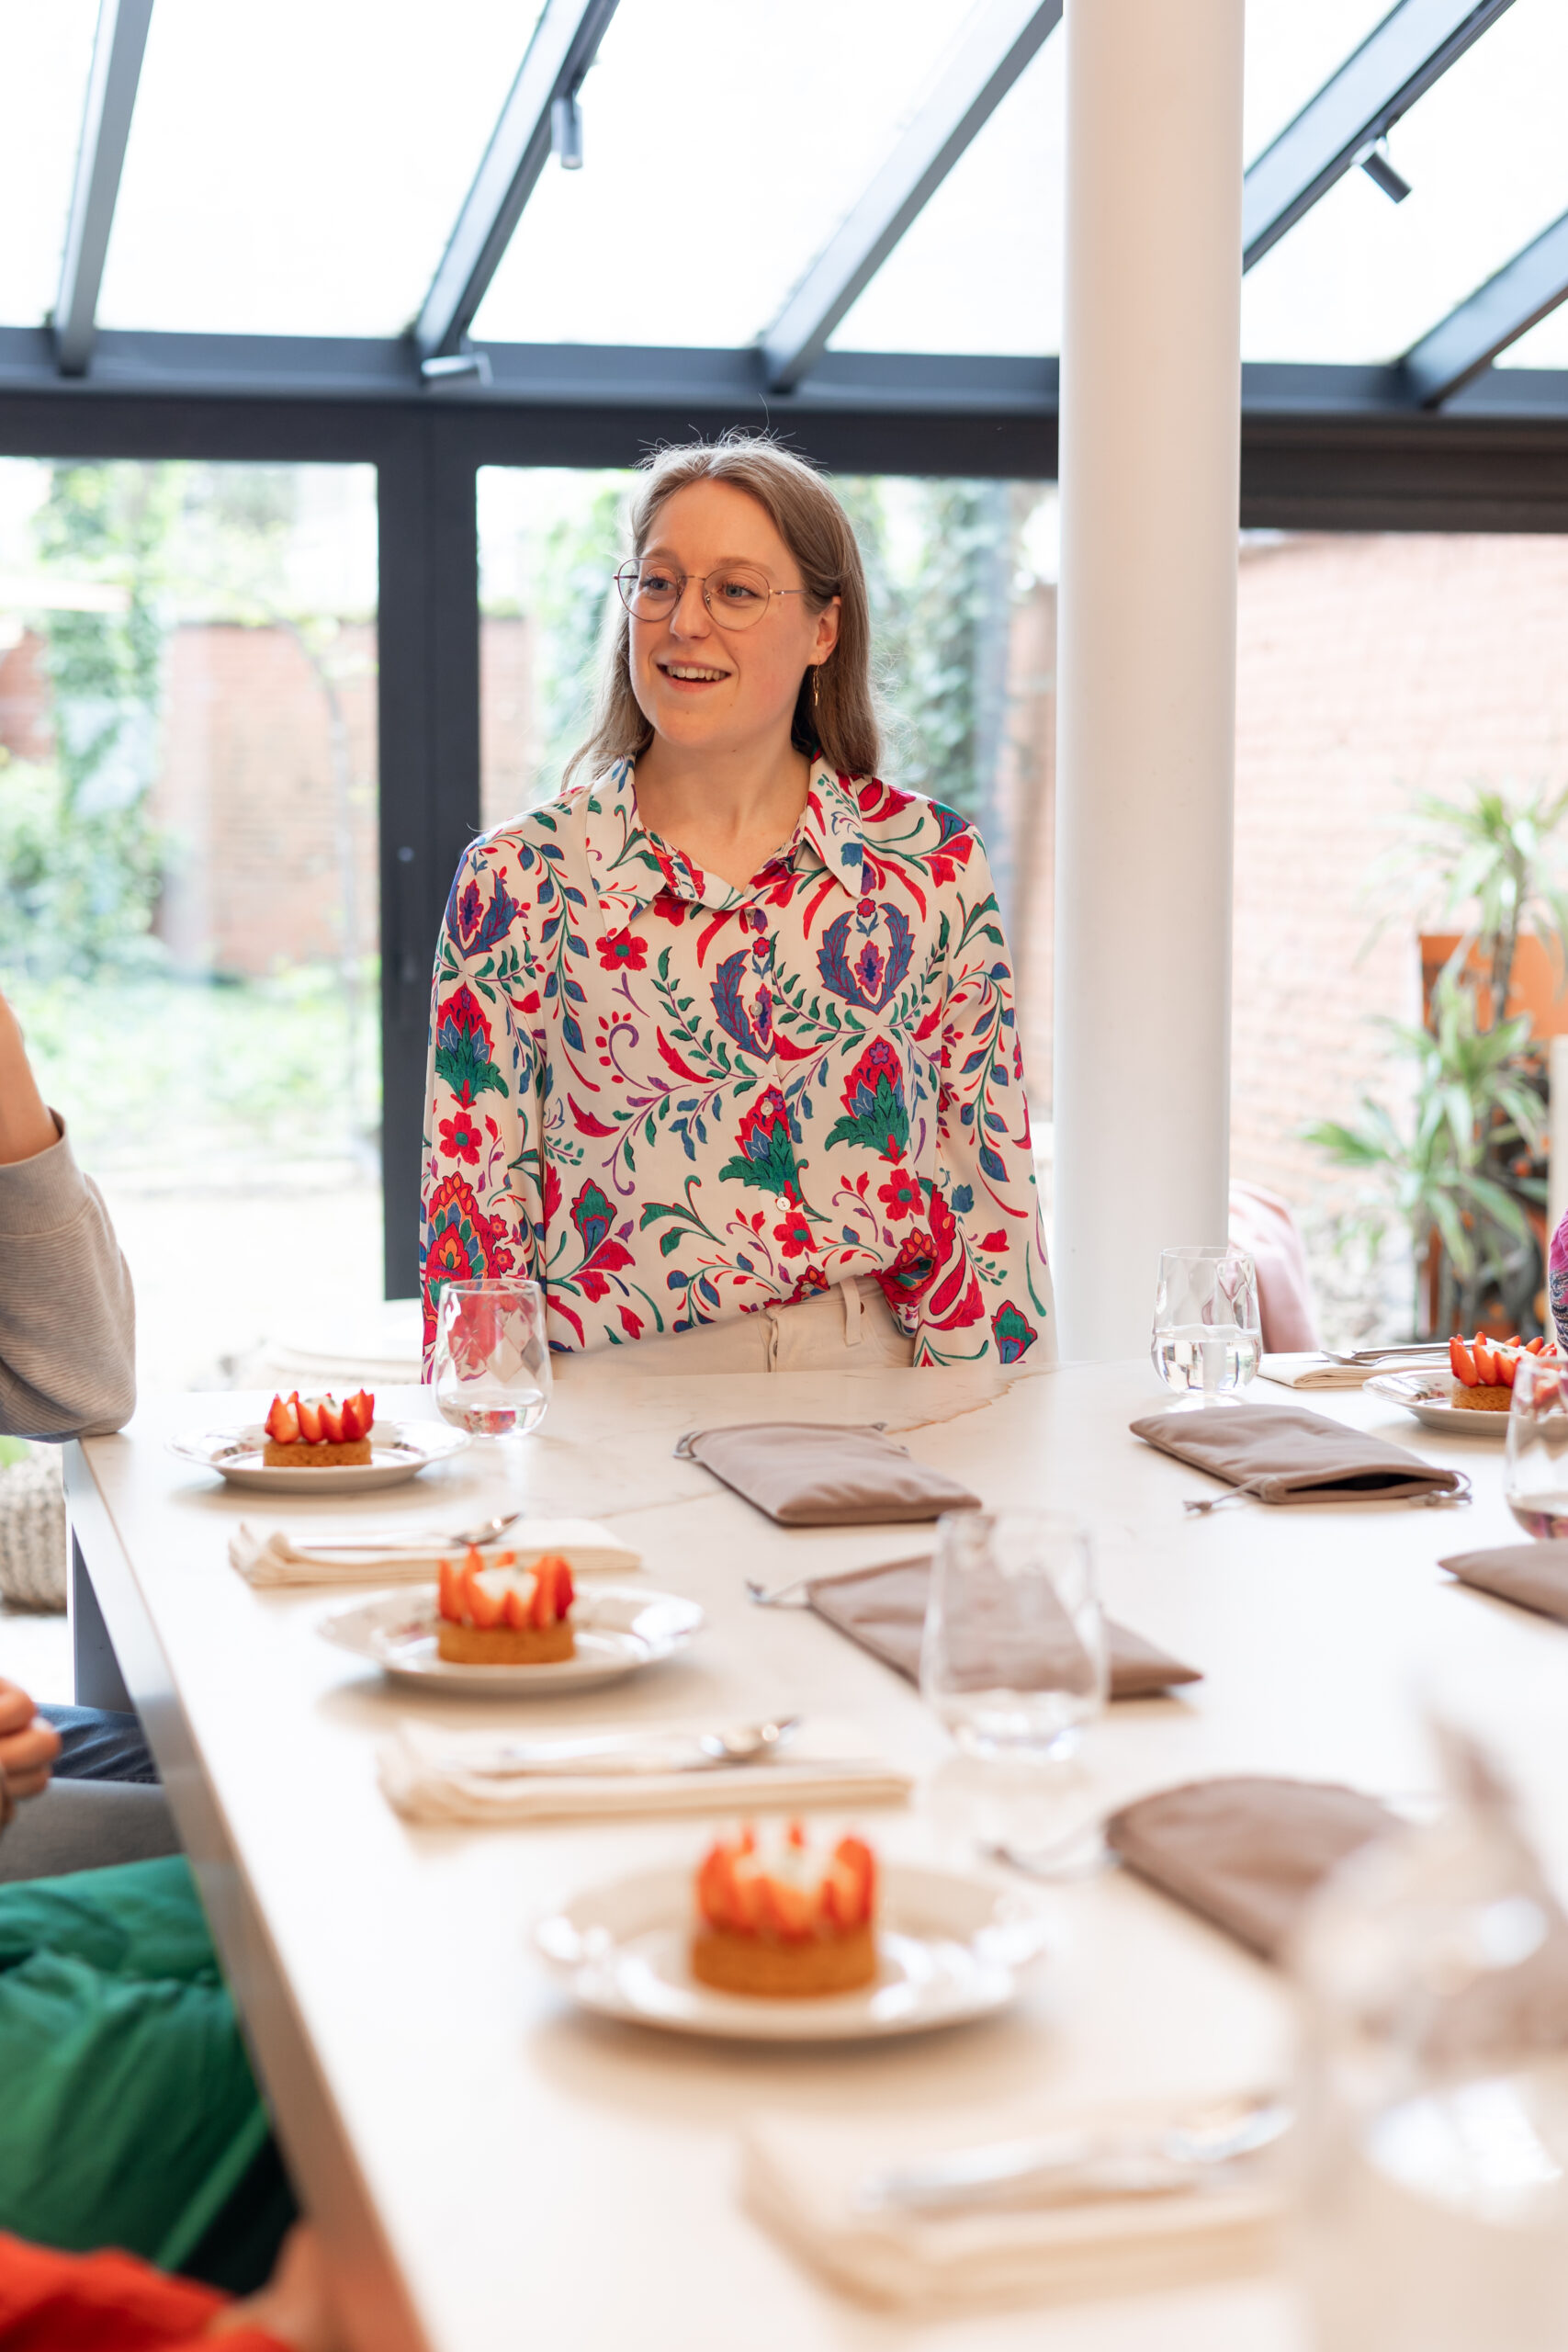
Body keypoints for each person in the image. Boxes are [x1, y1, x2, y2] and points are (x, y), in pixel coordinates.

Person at [422, 435, 1055, 1373]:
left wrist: (1004, 1429)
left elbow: (986, 1184)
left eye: (737, 590)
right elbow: (474, 1217)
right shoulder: (519, 880)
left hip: (878, 1389)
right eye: (660, 582)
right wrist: (489, 1452)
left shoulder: (929, 866)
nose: (685, 622)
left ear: (824, 630)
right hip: (614, 1403)